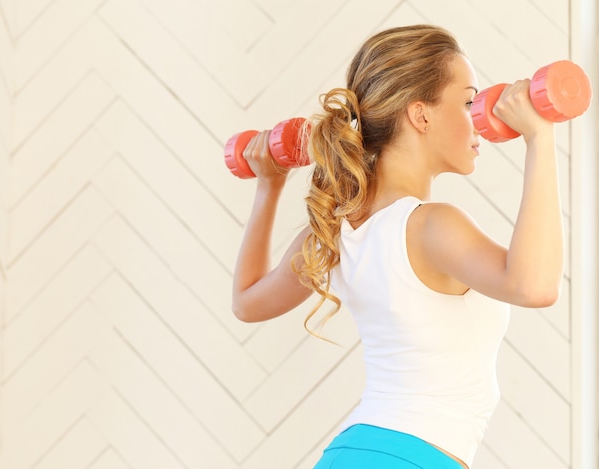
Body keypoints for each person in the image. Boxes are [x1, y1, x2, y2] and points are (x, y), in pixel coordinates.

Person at [231, 24, 563, 469]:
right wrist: (540, 138)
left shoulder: (337, 227)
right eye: (468, 102)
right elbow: (534, 286)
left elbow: (247, 301)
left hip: (354, 453)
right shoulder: (430, 224)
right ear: (421, 115)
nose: (479, 119)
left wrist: (268, 188)